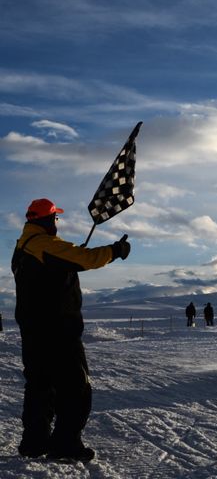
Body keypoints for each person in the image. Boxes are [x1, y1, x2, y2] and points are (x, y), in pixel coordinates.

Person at [11, 198, 131, 462]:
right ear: (46, 220)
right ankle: (65, 444)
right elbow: (86, 259)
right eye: (55, 218)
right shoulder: (45, 244)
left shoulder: (22, 247)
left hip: (33, 332)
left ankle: (34, 442)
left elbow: (60, 265)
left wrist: (69, 259)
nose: (57, 222)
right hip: (58, 331)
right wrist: (116, 250)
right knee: (76, 388)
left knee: (40, 386)